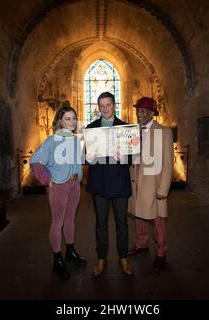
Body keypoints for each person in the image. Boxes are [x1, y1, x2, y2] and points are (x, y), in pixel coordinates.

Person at [30, 105, 86, 280]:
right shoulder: (51, 141)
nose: (72, 122)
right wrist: (48, 180)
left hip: (74, 185)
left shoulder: (76, 140)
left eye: (74, 118)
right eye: (68, 119)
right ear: (60, 121)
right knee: (58, 222)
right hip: (59, 187)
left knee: (70, 220)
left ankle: (70, 251)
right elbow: (35, 162)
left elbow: (78, 162)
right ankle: (57, 260)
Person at [85, 92, 134, 277]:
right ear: (98, 108)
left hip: (120, 183)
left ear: (114, 106)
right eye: (102, 106)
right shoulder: (92, 128)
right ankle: (101, 258)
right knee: (101, 224)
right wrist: (87, 158)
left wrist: (124, 157)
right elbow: (86, 156)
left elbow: (132, 157)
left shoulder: (125, 128)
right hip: (99, 183)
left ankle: (123, 258)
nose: (105, 109)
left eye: (108, 105)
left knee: (122, 223)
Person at [127, 97, 174, 273]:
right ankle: (141, 244)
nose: (138, 114)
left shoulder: (164, 132)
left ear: (151, 113)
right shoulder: (131, 132)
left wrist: (163, 189)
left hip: (154, 184)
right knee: (139, 215)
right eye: (137, 110)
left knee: (158, 219)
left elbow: (169, 163)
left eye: (142, 111)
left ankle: (161, 253)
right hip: (135, 180)